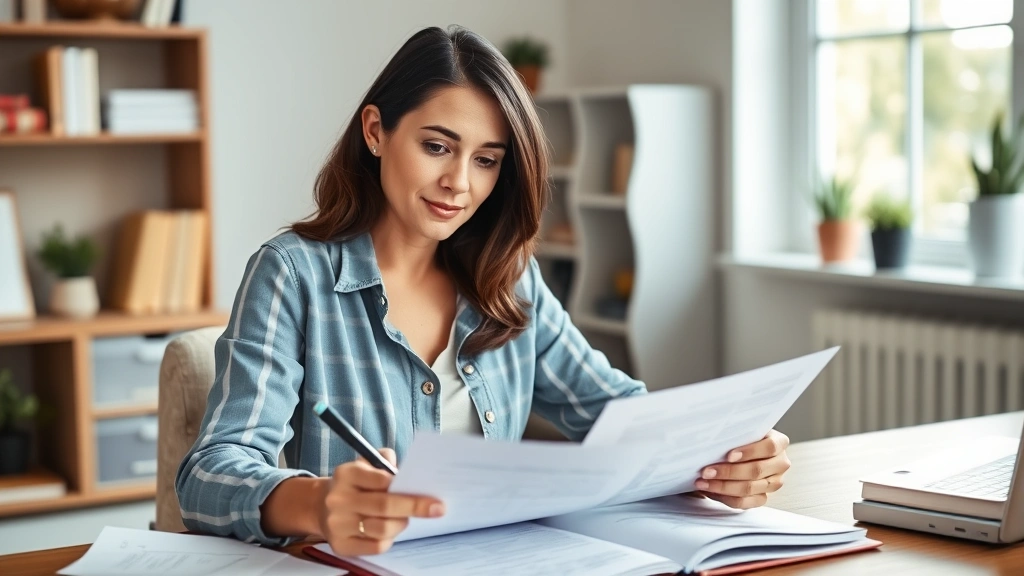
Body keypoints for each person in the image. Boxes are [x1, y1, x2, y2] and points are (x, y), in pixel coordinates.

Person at [175, 25, 791, 557]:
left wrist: (722, 459)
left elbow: (617, 415)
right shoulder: (293, 273)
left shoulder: (510, 278)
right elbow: (209, 475)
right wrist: (318, 501)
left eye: (487, 160)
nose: (458, 183)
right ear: (375, 131)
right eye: (437, 146)